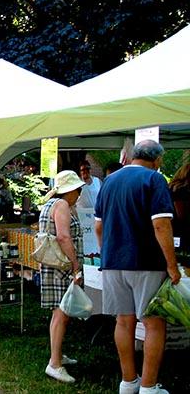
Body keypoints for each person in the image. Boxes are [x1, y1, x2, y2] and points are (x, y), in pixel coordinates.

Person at [94, 140, 181, 394]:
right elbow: (161, 225)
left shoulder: (109, 181)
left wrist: (105, 252)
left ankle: (128, 382)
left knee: (123, 322)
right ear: (158, 160)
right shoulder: (154, 180)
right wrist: (172, 265)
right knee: (154, 323)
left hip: (112, 262)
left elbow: (98, 226)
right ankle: (149, 386)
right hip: (146, 262)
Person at [39, 170, 85, 384]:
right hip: (62, 266)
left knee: (59, 313)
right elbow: (64, 237)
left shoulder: (51, 204)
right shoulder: (63, 206)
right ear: (70, 190)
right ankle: (55, 364)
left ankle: (56, 355)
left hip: (54, 264)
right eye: (78, 189)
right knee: (61, 313)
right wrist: (76, 265)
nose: (79, 193)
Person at [168, 163, 190, 253]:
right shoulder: (181, 190)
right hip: (182, 231)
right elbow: (181, 214)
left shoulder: (171, 188)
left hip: (173, 230)